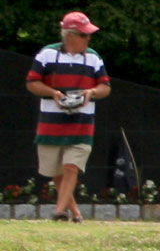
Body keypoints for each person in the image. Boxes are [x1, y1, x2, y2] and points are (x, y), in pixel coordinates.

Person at [26, 12, 111, 222]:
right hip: (50, 123)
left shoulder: (93, 57)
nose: (88, 39)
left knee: (71, 167)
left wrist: (91, 93)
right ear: (70, 36)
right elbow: (31, 82)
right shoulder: (47, 54)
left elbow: (105, 87)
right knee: (57, 172)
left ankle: (58, 212)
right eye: (84, 35)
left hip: (82, 123)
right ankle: (74, 213)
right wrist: (53, 93)